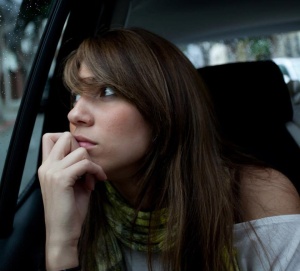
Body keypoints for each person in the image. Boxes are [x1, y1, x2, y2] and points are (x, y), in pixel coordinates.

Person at [38, 28, 300, 271]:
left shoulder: (260, 197)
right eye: (76, 95)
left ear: (164, 110)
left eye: (106, 91)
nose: (75, 114)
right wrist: (61, 242)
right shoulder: (76, 197)